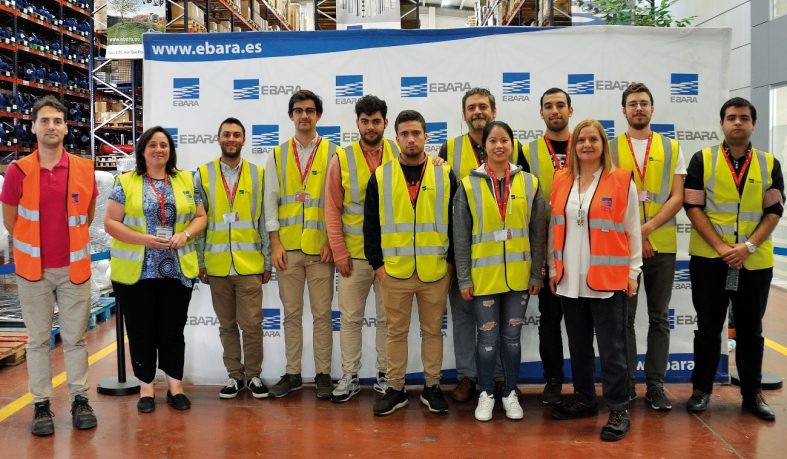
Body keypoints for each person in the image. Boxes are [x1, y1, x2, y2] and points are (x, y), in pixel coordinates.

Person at [1, 95, 98, 436]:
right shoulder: (18, 171)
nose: (51, 126)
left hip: (74, 270)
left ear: (66, 128)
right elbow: (11, 221)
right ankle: (41, 405)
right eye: (45, 121)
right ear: (33, 127)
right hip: (33, 273)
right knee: (39, 341)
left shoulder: (84, 169)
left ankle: (79, 400)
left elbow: (86, 216)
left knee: (75, 340)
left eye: (57, 121)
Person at [683, 97, 783, 421]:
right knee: (708, 329)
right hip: (709, 260)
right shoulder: (702, 159)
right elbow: (692, 206)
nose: (737, 122)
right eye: (731, 117)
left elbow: (774, 210)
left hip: (754, 261)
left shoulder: (769, 163)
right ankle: (701, 391)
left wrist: (748, 247)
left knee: (751, 331)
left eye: (744, 118)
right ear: (722, 123)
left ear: (753, 124)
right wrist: (721, 247)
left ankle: (752, 394)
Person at [548, 119, 642, 441]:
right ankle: (585, 398)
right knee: (578, 345)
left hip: (607, 281)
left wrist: (633, 272)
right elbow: (555, 228)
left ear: (603, 145)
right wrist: (553, 270)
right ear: (573, 146)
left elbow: (632, 230)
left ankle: (618, 408)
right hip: (569, 280)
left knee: (612, 349)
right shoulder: (562, 180)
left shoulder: (621, 181)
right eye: (581, 140)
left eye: (593, 139)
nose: (587, 145)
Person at [105, 126, 207, 413]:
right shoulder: (125, 182)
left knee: (172, 331)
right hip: (137, 273)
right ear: (143, 150)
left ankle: (175, 388)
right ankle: (146, 389)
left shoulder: (187, 179)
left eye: (164, 145)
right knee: (141, 332)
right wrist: (143, 239)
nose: (159, 150)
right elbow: (110, 223)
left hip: (176, 271)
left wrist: (185, 234)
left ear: (171, 151)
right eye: (152, 145)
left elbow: (201, 217)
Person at [364, 110, 457, 416]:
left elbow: (456, 223)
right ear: (397, 138)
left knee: (433, 332)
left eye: (416, 133)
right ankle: (396, 389)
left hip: (435, 271)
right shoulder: (381, 176)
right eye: (404, 134)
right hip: (394, 271)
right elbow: (370, 225)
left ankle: (432, 387)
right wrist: (378, 266)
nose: (411, 139)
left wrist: (451, 264)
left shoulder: (445, 173)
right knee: (395, 333)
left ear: (426, 136)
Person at [438, 87, 527, 403]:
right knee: (464, 317)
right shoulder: (449, 149)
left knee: (500, 322)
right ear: (464, 114)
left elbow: (524, 199)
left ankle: (500, 378)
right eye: (472, 107)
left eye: (483, 106)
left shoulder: (514, 148)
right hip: (463, 252)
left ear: (494, 110)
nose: (478, 111)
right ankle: (467, 376)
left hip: (503, 257)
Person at [453, 120, 546, 421]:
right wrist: (464, 278)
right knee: (487, 339)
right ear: (484, 146)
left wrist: (537, 273)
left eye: (504, 140)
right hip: (484, 278)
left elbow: (538, 233)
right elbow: (460, 237)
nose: (499, 146)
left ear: (512, 144)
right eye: (492, 141)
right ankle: (486, 393)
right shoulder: (468, 185)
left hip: (519, 278)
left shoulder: (530, 183)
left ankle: (509, 392)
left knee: (512, 339)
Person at [611, 82, 686, 410]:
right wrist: (636, 237)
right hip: (622, 248)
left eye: (643, 103)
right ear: (624, 110)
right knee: (623, 320)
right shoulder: (611, 148)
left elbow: (677, 197)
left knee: (659, 318)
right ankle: (627, 383)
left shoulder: (671, 147)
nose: (638, 108)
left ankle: (655, 385)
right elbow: (608, 199)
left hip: (663, 245)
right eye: (632, 104)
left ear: (652, 108)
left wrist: (647, 230)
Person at [264, 90, 339, 399]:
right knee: (291, 315)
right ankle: (293, 373)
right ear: (291, 115)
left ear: (318, 115)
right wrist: (275, 244)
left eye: (309, 110)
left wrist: (333, 242)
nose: (304, 115)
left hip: (322, 249)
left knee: (322, 315)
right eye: (298, 110)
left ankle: (323, 374)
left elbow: (338, 202)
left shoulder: (334, 153)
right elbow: (270, 202)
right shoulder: (278, 154)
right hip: (288, 250)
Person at [325, 95, 398, 402]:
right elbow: (332, 209)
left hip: (391, 256)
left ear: (385, 123)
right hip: (353, 258)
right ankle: (349, 375)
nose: (370, 127)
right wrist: (339, 252)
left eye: (376, 121)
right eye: (365, 121)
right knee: (351, 319)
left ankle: (386, 374)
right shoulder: (342, 158)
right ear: (357, 123)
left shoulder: (398, 152)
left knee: (388, 319)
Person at [195, 118, 271, 400]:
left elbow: (264, 221)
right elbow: (199, 223)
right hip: (217, 267)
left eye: (236, 135)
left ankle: (254, 376)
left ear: (243, 140)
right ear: (218, 138)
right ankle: (234, 376)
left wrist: (266, 261)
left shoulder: (258, 175)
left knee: (251, 325)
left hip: (249, 265)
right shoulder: (202, 175)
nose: (231, 139)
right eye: (226, 134)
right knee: (226, 325)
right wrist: (201, 261)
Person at [520, 87, 574, 405]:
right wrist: (537, 256)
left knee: (582, 323)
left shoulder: (587, 143)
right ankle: (553, 380)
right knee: (550, 320)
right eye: (549, 106)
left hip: (584, 249)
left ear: (570, 110)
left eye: (560, 105)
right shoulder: (528, 152)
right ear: (541, 113)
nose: (555, 111)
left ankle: (583, 383)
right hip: (548, 250)